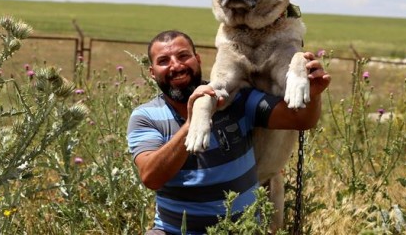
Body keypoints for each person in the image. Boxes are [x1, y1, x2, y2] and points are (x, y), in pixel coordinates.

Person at [126, 30, 331, 235]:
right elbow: (151, 177)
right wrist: (194, 120)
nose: (176, 66)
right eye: (163, 61)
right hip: (173, 231)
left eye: (183, 56)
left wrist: (314, 94)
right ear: (152, 72)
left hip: (242, 229)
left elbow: (301, 120)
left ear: (197, 60)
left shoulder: (235, 98)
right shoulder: (146, 116)